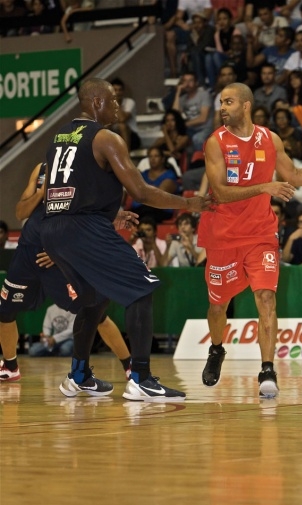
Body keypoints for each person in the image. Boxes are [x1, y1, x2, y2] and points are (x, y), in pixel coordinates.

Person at [38, 78, 209, 401]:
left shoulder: (58, 138)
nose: (118, 107)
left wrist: (110, 213)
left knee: (93, 300)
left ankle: (78, 375)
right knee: (142, 289)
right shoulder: (105, 138)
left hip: (53, 227)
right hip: (84, 227)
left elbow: (64, 189)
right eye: (113, 100)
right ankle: (141, 379)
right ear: (97, 102)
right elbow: (141, 192)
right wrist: (189, 204)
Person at [198, 82, 302, 398]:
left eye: (229, 102)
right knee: (218, 306)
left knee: (266, 299)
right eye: (221, 102)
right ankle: (217, 348)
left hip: (261, 233)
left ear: (246, 105)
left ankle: (267, 370)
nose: (223, 108)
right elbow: (219, 192)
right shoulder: (216, 142)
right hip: (223, 235)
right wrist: (264, 187)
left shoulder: (269, 138)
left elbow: (294, 176)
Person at [0, 163, 133, 383]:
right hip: (27, 254)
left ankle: (130, 366)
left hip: (59, 258)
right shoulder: (41, 169)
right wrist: (41, 193)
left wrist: (60, 251)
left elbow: (87, 223)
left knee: (95, 314)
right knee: (5, 311)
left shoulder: (81, 172)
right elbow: (20, 212)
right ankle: (10, 366)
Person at [128, 146, 180, 222]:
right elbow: (134, 191)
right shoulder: (142, 174)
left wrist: (143, 191)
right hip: (139, 210)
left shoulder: (170, 174)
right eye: (150, 156)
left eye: (156, 156)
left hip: (159, 210)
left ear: (162, 159)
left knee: (147, 214)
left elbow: (160, 194)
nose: (153, 159)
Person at [172, 72, 213, 151]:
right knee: (178, 139)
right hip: (191, 129)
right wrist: (178, 92)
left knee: (197, 138)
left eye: (190, 81)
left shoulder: (204, 95)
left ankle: (201, 159)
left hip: (205, 128)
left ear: (196, 83)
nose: (187, 84)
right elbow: (174, 114)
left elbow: (203, 118)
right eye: (185, 81)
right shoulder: (183, 99)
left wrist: (183, 124)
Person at [109, 78, 141, 151]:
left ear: (123, 91)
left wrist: (116, 102)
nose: (118, 92)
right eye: (115, 90)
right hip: (116, 135)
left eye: (120, 90)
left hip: (132, 137)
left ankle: (126, 154)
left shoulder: (130, 102)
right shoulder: (107, 104)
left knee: (122, 126)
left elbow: (122, 119)